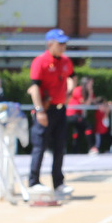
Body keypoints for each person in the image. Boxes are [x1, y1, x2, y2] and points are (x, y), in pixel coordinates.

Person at [26, 28, 75, 196]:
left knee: (60, 146)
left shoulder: (66, 61)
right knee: (40, 146)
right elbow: (34, 88)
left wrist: (69, 91)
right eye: (60, 43)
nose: (63, 46)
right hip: (45, 110)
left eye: (64, 43)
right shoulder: (40, 61)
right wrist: (40, 111)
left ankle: (58, 182)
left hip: (61, 109)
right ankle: (33, 182)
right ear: (50, 44)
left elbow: (71, 77)